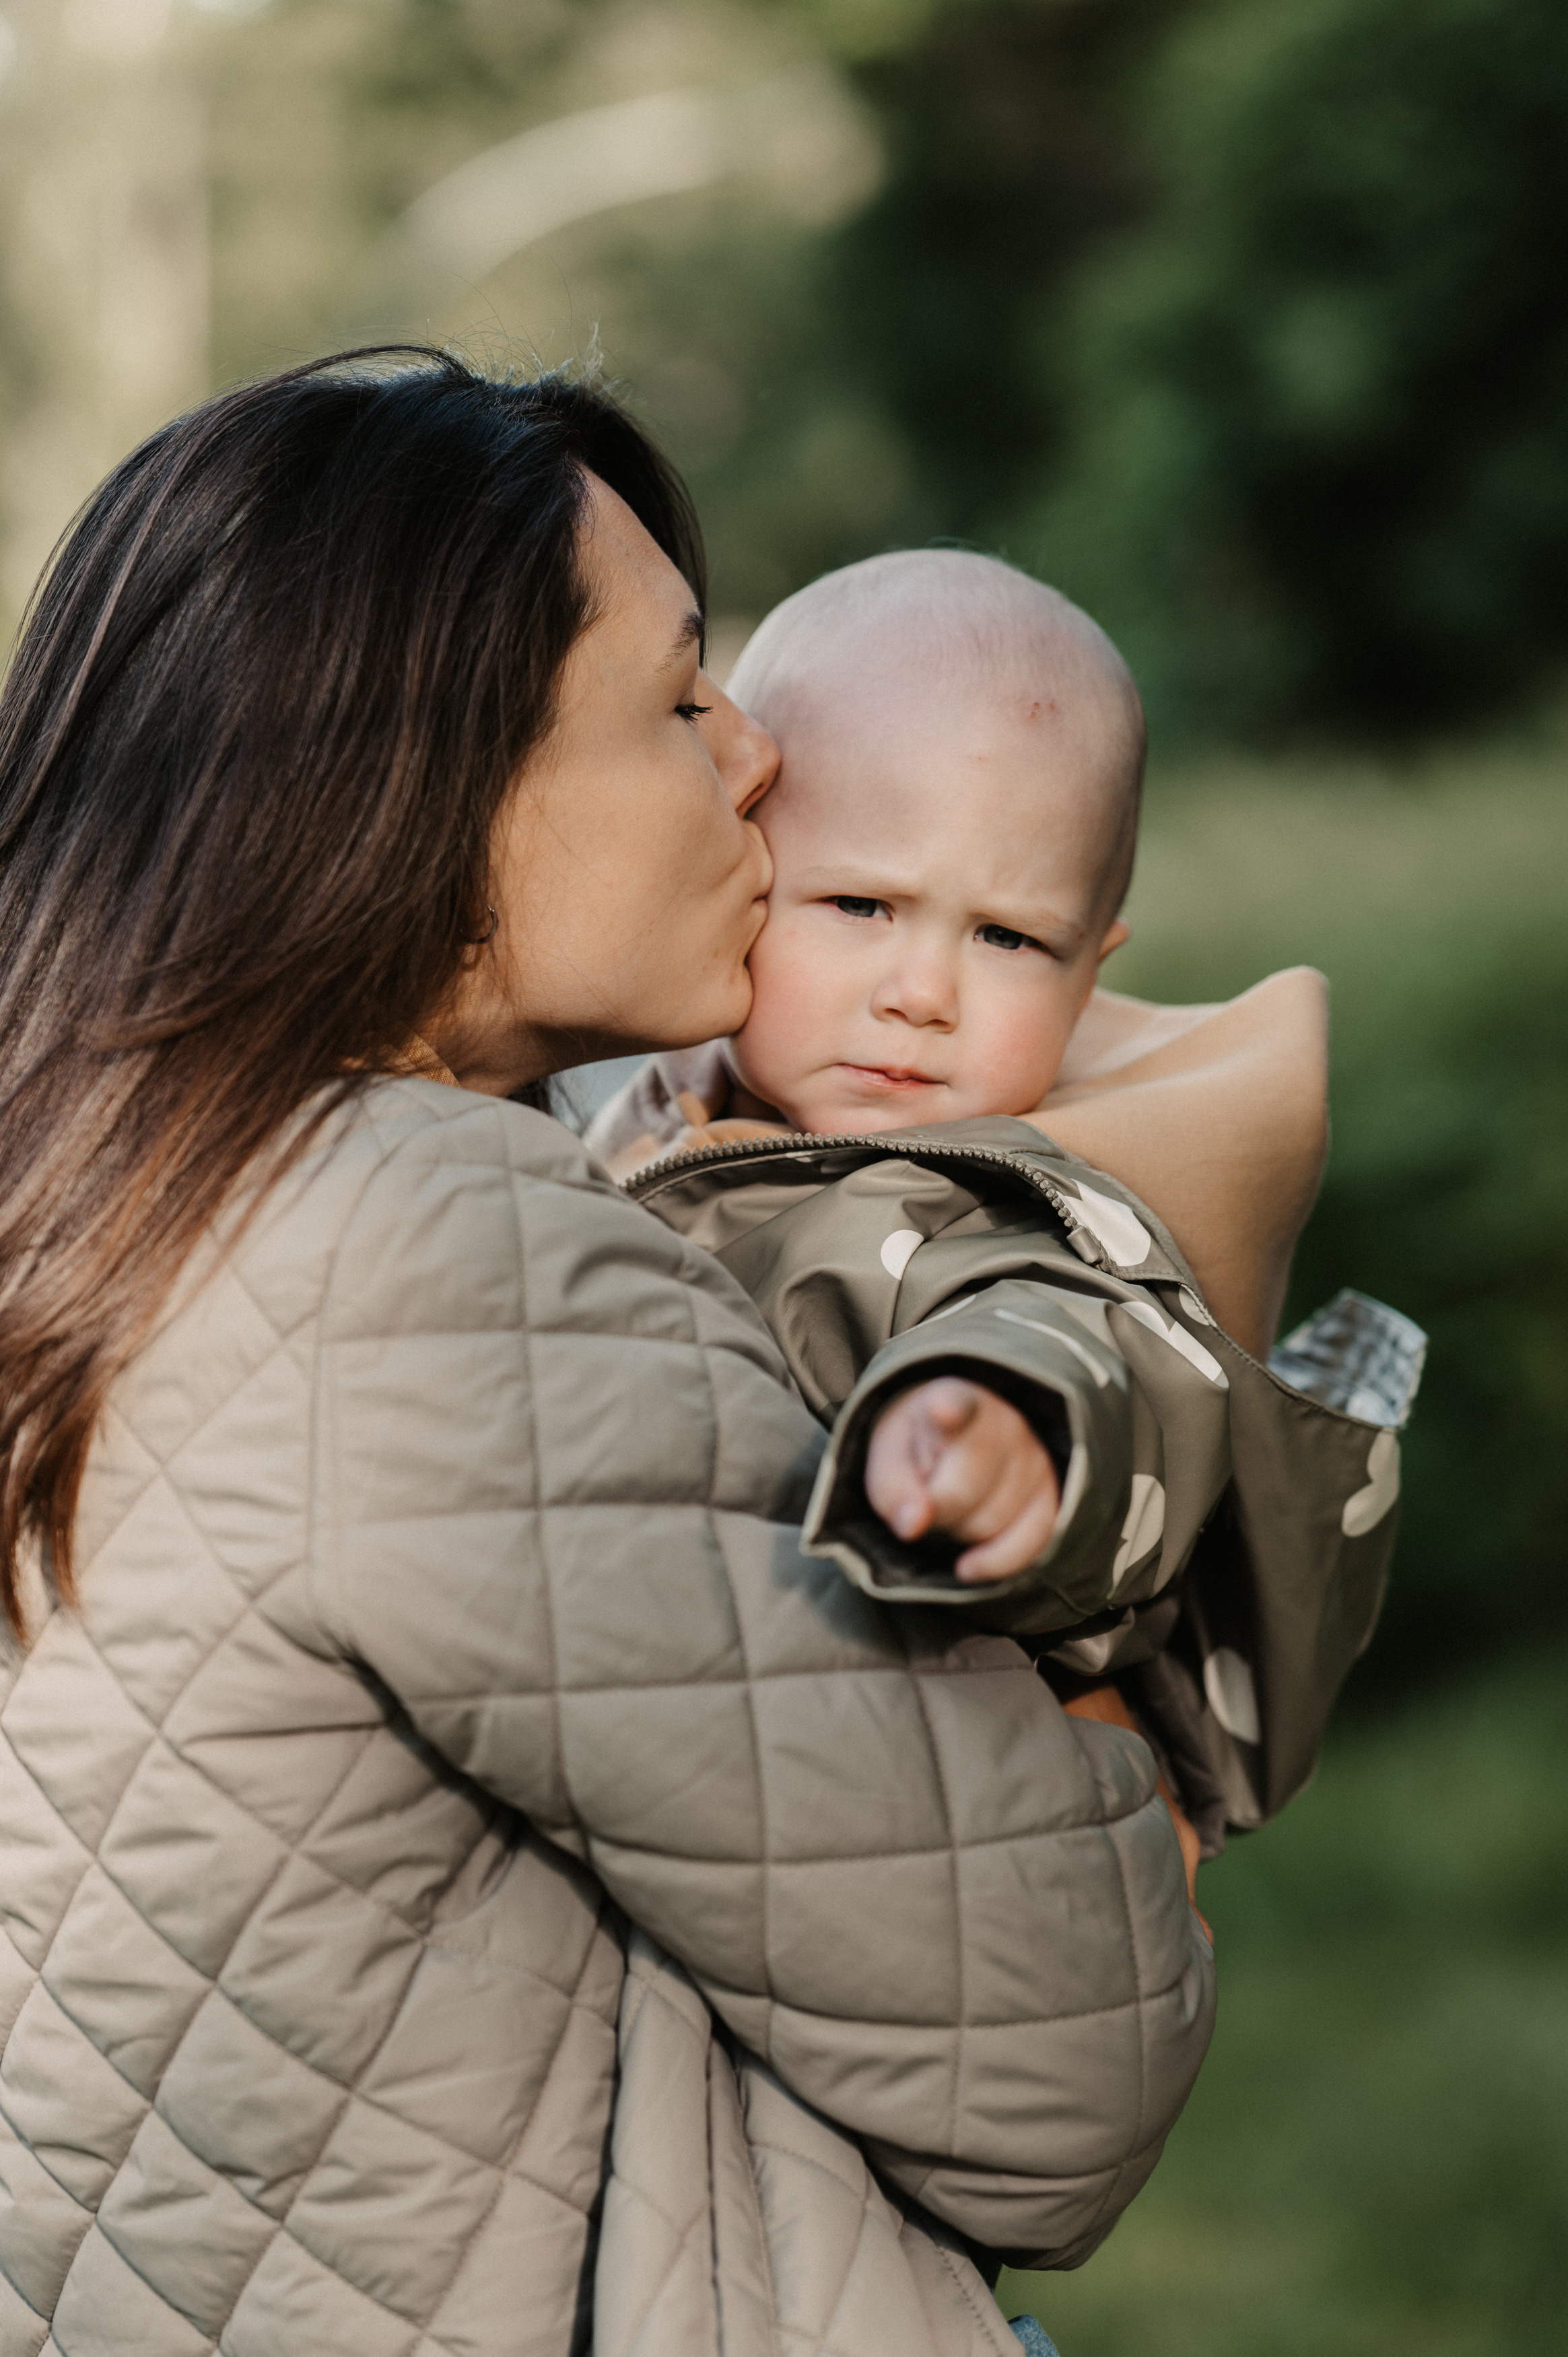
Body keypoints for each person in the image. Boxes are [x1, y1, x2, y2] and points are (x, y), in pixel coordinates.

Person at [0, 353, 1213, 2357]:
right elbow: (1076, 2051)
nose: (759, 761)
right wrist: (1104, 1713)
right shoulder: (440, 1257)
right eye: (676, 698)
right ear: (439, 780)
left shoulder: (117, 1194)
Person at [588, 552, 1423, 1857]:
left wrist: (995, 1425)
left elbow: (1072, 1338)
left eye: (1009, 939)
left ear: (1094, 972)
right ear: (738, 867)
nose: (923, 989)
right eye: (860, 903)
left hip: (937, 1873)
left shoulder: (1007, 1205)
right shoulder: (664, 1105)